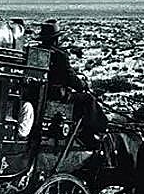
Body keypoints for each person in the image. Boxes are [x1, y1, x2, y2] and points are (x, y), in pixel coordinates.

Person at [38, 19, 111, 158]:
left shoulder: (37, 52)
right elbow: (71, 79)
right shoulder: (59, 55)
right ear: (56, 39)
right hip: (57, 95)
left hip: (40, 94)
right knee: (88, 99)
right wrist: (83, 84)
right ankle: (96, 131)